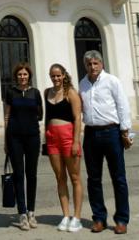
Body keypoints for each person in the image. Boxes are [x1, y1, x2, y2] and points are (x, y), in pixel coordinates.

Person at [79, 50, 133, 235]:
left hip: (112, 132)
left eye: (95, 63)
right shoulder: (83, 84)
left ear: (101, 64)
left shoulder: (112, 81)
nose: (92, 67)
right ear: (85, 65)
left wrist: (126, 132)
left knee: (118, 178)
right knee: (93, 179)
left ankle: (121, 220)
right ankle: (99, 218)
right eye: (89, 64)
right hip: (91, 134)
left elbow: (122, 106)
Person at [45, 64, 84, 232]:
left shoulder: (71, 93)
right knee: (60, 178)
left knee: (75, 177)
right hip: (52, 138)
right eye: (53, 76)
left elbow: (77, 118)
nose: (56, 79)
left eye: (58, 76)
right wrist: (45, 137)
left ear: (63, 76)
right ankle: (66, 215)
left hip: (69, 137)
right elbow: (47, 116)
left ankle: (77, 217)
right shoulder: (47, 92)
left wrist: (76, 141)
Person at [3, 62, 43, 231]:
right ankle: (22, 214)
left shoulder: (36, 93)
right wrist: (5, 141)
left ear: (29, 76)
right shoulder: (11, 92)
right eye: (20, 74)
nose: (22, 77)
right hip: (15, 138)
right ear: (16, 76)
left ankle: (32, 212)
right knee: (19, 175)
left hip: (33, 137)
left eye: (25, 74)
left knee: (31, 174)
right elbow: (6, 116)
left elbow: (40, 114)